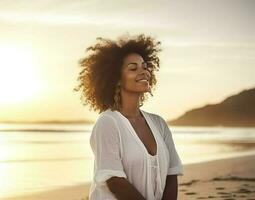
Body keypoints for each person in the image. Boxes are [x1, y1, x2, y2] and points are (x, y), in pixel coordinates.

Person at [74, 33, 184, 200]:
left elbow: (171, 173)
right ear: (117, 79)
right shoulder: (108, 123)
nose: (143, 71)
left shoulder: (159, 123)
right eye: (133, 68)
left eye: (145, 66)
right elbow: (114, 180)